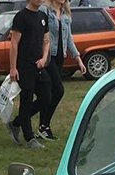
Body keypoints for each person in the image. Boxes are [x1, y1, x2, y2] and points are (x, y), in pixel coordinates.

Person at [6, 0, 50, 148]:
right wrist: (13, 67)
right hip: (24, 66)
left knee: (46, 96)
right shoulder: (21, 17)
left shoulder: (43, 16)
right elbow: (14, 43)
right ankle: (29, 138)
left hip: (38, 65)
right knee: (26, 98)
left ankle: (16, 123)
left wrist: (44, 58)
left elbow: (46, 41)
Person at [38, 0, 82, 141]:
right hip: (48, 57)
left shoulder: (65, 14)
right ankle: (39, 124)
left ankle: (40, 125)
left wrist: (78, 59)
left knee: (49, 93)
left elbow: (69, 38)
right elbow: (41, 35)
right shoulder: (45, 10)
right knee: (58, 90)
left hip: (59, 57)